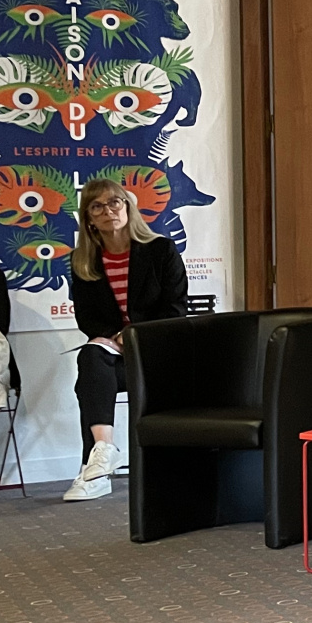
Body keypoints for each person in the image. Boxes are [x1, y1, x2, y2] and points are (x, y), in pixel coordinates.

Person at [66, 177, 188, 501]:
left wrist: (133, 334)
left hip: (156, 354)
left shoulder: (160, 250)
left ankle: (93, 468)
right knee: (90, 361)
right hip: (115, 355)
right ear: (89, 219)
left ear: (128, 206)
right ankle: (104, 452)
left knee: (89, 382)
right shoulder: (83, 262)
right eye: (97, 206)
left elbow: (176, 309)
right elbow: (86, 319)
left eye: (114, 202)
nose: (108, 211)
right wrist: (113, 337)